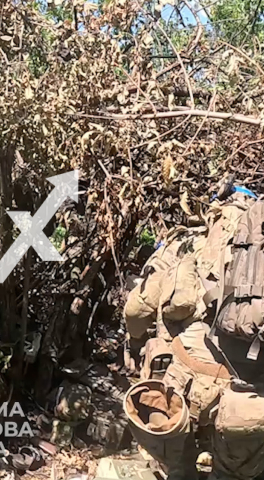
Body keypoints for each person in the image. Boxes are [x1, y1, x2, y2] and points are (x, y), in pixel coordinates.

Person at [122, 182, 264, 480]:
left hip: (182, 385)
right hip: (247, 402)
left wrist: (134, 344)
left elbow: (137, 309)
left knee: (175, 469)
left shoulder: (187, 245)